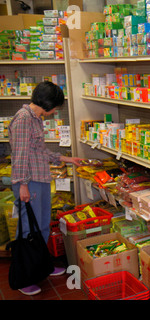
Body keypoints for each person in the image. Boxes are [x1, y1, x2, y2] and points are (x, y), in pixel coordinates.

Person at [8, 81, 84, 296]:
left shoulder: (35, 119)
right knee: (27, 229)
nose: (55, 111)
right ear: (48, 104)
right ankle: (24, 277)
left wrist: (66, 158)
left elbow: (39, 151)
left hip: (39, 179)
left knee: (40, 227)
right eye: (56, 107)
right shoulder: (23, 120)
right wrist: (22, 184)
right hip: (28, 182)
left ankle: (41, 265)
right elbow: (20, 156)